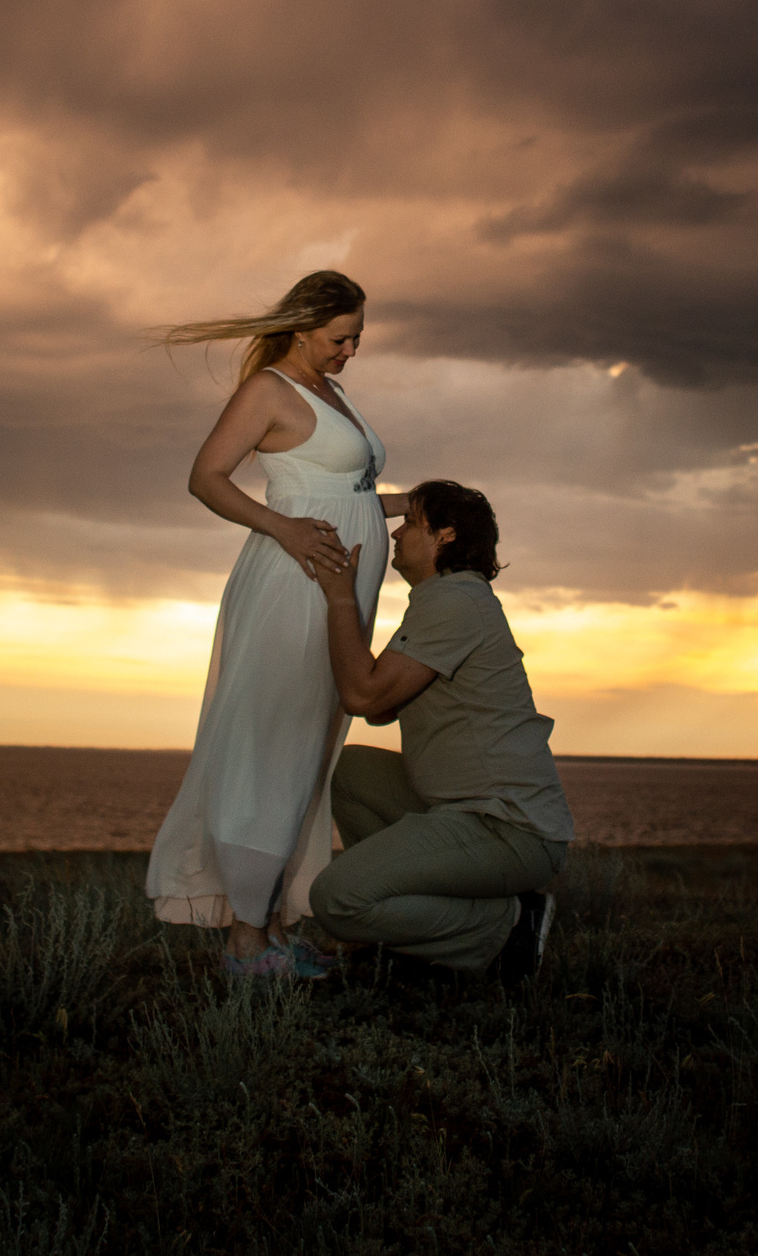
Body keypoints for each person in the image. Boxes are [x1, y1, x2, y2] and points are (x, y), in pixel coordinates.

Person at [144, 270, 403, 976]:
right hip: (294, 585)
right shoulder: (269, 390)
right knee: (275, 746)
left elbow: (343, 497)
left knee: (310, 751)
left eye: (357, 338)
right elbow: (206, 477)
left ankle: (277, 922)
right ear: (302, 326)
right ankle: (245, 940)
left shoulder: (331, 391)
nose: (351, 351)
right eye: (340, 337)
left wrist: (407, 502)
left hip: (340, 589)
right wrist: (283, 528)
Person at [302, 479, 574, 983]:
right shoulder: (442, 600)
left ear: (445, 535)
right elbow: (381, 708)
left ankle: (509, 926)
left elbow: (363, 697)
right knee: (350, 769)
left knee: (336, 900)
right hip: (464, 810)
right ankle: (413, 929)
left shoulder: (455, 602)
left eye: (410, 522)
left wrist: (340, 597)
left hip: (507, 827)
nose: (396, 534)